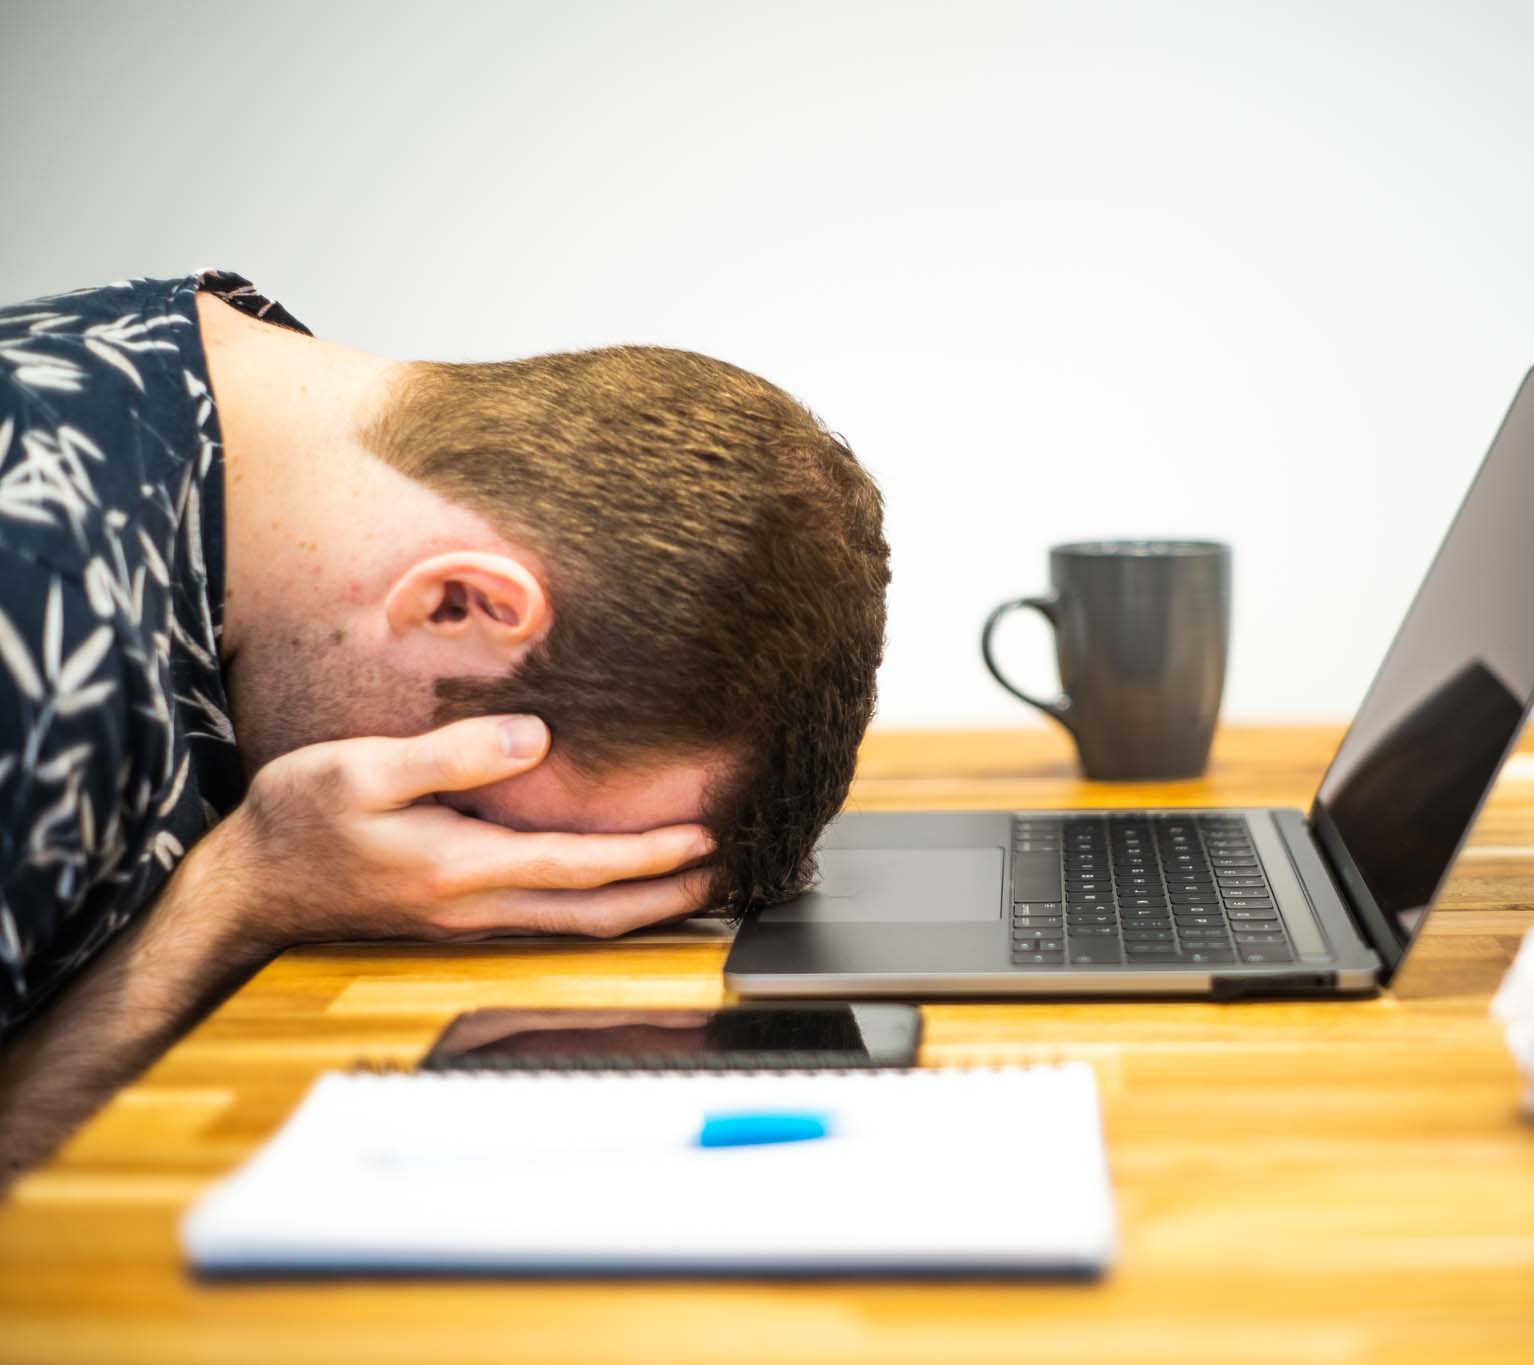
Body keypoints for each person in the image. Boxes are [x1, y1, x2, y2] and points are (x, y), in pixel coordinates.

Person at [0, 271, 890, 1184]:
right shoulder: (38, 633)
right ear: (459, 604)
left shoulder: (229, 388)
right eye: (477, 820)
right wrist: (236, 895)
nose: (457, 876)